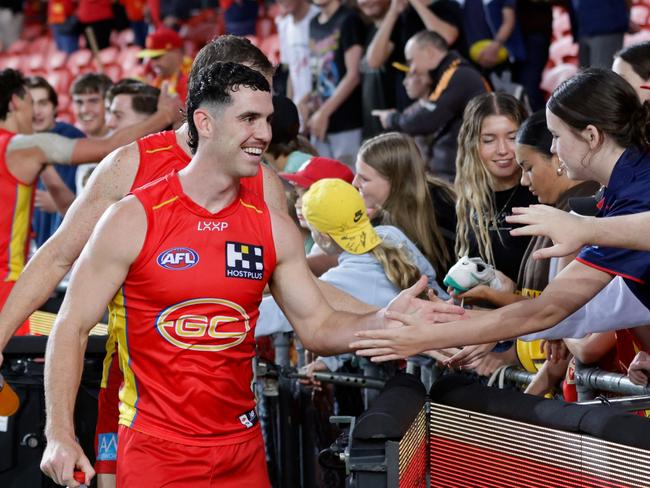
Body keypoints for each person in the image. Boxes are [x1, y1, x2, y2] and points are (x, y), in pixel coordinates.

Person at [39, 61, 441, 488]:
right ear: (204, 123)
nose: (264, 134)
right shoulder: (132, 217)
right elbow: (71, 325)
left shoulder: (271, 225)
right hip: (158, 453)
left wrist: (384, 319)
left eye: (267, 119)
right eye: (249, 118)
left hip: (243, 453)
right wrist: (59, 433)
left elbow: (319, 326)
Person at [350, 68, 650, 360]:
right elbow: (557, 309)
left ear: (592, 136)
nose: (554, 148)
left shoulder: (636, 192)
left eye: (556, 136)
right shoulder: (626, 186)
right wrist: (455, 322)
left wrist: (427, 336)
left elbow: (547, 310)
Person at [0, 68, 180, 336]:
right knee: (78, 337)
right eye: (29, 104)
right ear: (15, 102)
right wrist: (165, 116)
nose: (34, 116)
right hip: (8, 290)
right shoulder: (23, 146)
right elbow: (109, 147)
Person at [371, 30, 487, 180]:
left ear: (430, 53)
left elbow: (426, 121)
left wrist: (392, 119)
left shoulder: (458, 74)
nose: (411, 69)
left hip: (468, 173)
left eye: (411, 60)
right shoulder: (451, 74)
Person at [454, 92, 536, 283]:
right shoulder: (467, 198)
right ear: (472, 144)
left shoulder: (540, 194)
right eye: (489, 140)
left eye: (512, 138)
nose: (502, 150)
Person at [353, 132, 456, 283]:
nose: (355, 183)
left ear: (396, 181)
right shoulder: (383, 214)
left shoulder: (440, 211)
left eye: (365, 179)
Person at [365, 0, 465, 110]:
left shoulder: (446, 6)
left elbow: (447, 37)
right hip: (412, 103)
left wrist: (416, 3)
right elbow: (374, 61)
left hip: (446, 94)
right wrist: (393, 12)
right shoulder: (401, 17)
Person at [303, 0, 366, 165]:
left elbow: (353, 75)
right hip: (319, 121)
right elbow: (317, 73)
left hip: (346, 120)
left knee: (349, 183)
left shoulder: (349, 19)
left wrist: (324, 113)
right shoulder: (313, 23)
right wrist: (307, 104)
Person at [26, 76, 84, 246]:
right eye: (31, 104)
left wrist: (60, 204)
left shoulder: (72, 139)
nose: (36, 111)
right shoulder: (22, 140)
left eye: (43, 103)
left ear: (54, 107)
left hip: (65, 245)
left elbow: (84, 199)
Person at [70, 73, 114, 193]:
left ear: (109, 103)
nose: (85, 109)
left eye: (93, 101)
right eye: (79, 102)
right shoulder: (79, 144)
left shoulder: (123, 145)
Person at [138, 27, 192, 104]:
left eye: (157, 57)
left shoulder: (190, 79)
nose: (153, 63)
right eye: (151, 58)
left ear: (176, 53)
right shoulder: (157, 79)